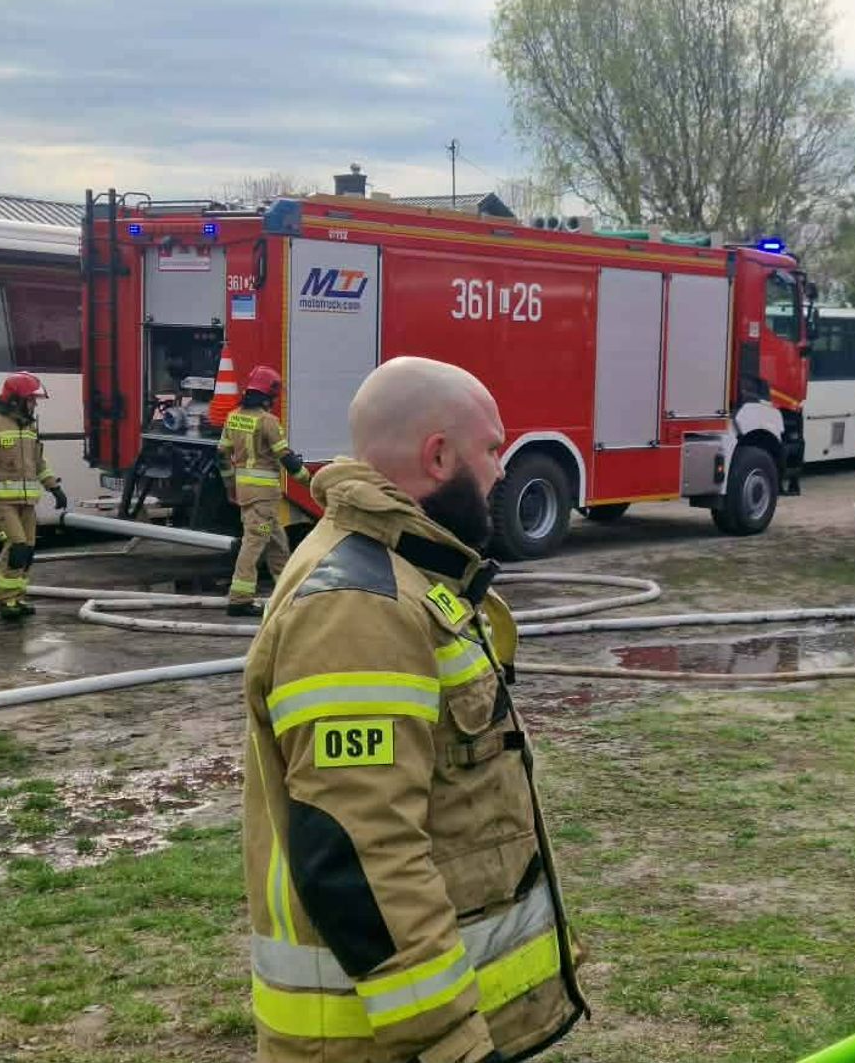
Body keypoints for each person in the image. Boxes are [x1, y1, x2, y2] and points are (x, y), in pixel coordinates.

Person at [242, 355, 587, 1063]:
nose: (500, 471)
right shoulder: (358, 607)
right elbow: (362, 852)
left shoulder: (401, 577)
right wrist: (453, 1043)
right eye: (491, 448)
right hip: (378, 1043)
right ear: (438, 456)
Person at [0, 373, 67, 621]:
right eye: (31, 400)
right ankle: (5, 601)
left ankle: (18, 597)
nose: (34, 405)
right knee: (16, 548)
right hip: (2, 503)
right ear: (16, 400)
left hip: (27, 504)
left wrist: (53, 487)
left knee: (29, 551)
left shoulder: (29, 426)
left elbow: (39, 462)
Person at [217, 364, 309, 617]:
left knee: (277, 541)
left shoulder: (234, 416)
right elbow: (286, 458)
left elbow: (222, 456)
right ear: (269, 396)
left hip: (247, 494)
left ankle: (287, 592)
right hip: (263, 497)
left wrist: (229, 486)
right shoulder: (268, 422)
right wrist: (310, 483)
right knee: (255, 542)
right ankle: (239, 599)